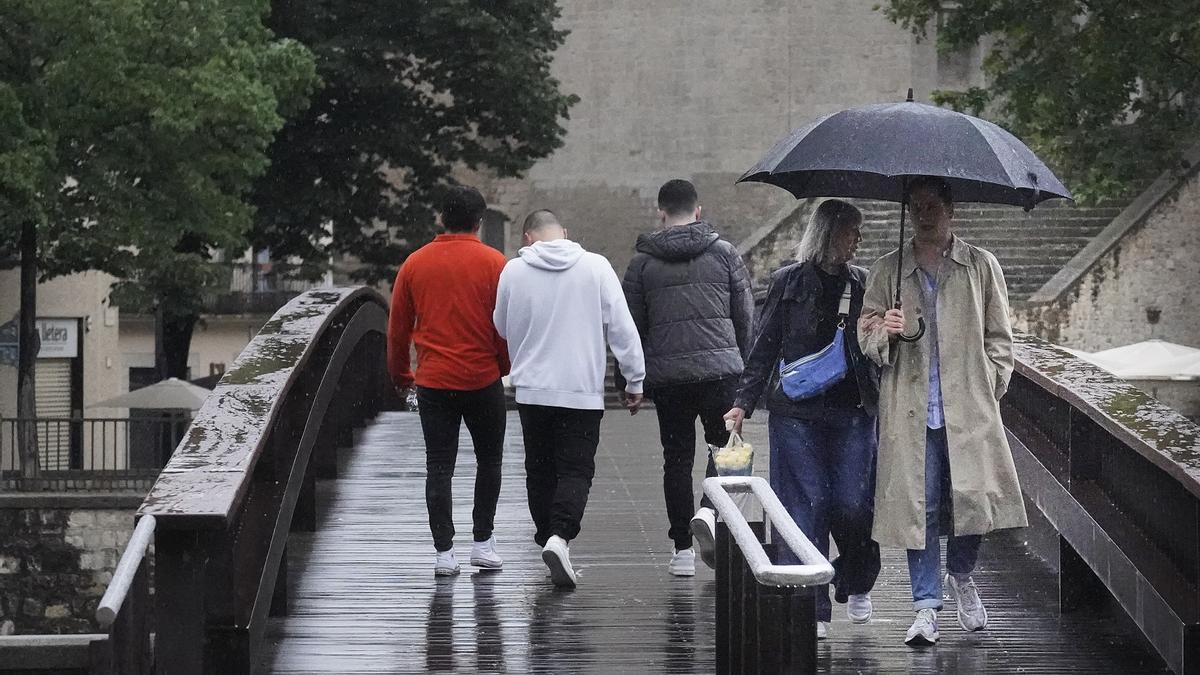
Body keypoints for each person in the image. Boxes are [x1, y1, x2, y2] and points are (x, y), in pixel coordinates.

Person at [858, 175, 1028, 646]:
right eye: (915, 206)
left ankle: (962, 574)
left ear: (951, 209)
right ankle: (926, 606)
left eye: (931, 205)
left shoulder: (979, 265)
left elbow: (1000, 335)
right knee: (922, 507)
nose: (923, 213)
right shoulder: (888, 268)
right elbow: (865, 327)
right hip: (913, 410)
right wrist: (884, 331)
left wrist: (993, 382)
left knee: (974, 499)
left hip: (968, 407)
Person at [724, 199, 881, 640]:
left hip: (852, 409)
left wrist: (894, 327)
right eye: (853, 231)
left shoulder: (865, 283)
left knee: (853, 502)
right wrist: (743, 401)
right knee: (805, 505)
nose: (859, 241)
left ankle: (853, 578)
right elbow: (765, 343)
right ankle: (811, 606)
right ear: (830, 233)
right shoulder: (787, 282)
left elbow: (878, 348)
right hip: (797, 412)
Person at [493, 209, 646, 589]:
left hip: (532, 389)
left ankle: (548, 536)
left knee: (539, 469)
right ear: (564, 232)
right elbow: (622, 327)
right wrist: (634, 378)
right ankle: (560, 536)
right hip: (580, 390)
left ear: (528, 237)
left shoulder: (513, 271)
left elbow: (500, 324)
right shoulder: (596, 267)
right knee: (576, 470)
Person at [620, 178, 754, 577]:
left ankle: (681, 551)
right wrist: (749, 371)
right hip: (721, 372)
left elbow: (631, 328)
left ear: (661, 213)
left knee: (676, 459)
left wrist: (629, 380)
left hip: (668, 376)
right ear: (698, 211)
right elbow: (745, 315)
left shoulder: (642, 263)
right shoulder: (725, 253)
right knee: (725, 450)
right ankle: (709, 513)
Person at [387, 185, 510, 577]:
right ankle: (483, 542)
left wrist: (401, 376)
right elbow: (504, 326)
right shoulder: (495, 264)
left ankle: (444, 552)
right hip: (482, 377)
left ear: (441, 218)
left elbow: (397, 330)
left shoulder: (414, 264)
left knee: (439, 466)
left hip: (435, 382)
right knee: (489, 461)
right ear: (479, 221)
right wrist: (503, 366)